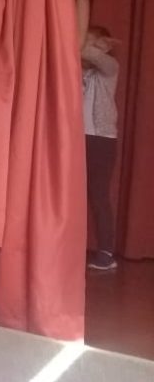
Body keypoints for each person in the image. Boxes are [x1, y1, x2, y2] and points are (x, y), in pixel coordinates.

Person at [82, 25, 120, 271]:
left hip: (101, 139)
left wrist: (96, 46)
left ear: (104, 47)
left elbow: (88, 54)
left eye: (89, 41)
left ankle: (106, 253)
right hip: (76, 139)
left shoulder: (110, 67)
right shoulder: (76, 70)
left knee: (98, 195)